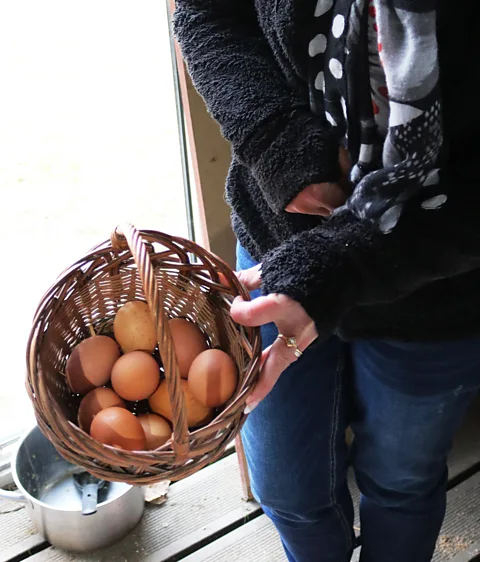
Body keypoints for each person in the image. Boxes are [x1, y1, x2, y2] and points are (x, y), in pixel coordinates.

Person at [174, 1, 480, 561]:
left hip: (444, 287)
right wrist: (276, 142)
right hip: (278, 244)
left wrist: (343, 264)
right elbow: (208, 10)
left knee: (402, 485)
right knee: (285, 486)